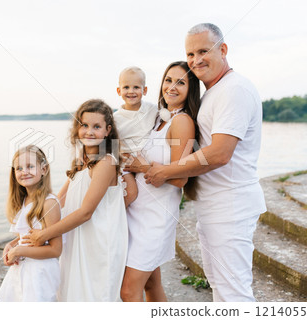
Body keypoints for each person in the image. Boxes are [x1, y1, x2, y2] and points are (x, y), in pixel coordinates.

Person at [143, 23, 267, 302]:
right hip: (214, 205)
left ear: (223, 50)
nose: (196, 60)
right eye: (190, 53)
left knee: (234, 292)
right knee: (221, 289)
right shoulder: (215, 91)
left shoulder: (234, 90)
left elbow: (220, 152)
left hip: (231, 205)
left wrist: (166, 170)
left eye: (203, 51)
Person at [24, 99, 128, 301]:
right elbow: (58, 201)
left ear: (107, 131)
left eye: (96, 127)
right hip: (76, 237)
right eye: (84, 125)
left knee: (95, 295)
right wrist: (24, 233)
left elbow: (86, 212)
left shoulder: (106, 162)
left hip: (98, 241)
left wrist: (44, 234)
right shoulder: (81, 162)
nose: (89, 131)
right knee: (73, 293)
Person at [121, 61, 200, 301]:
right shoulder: (158, 119)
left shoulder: (182, 122)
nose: (172, 87)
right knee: (151, 286)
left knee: (127, 291)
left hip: (155, 219)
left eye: (180, 82)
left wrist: (142, 166)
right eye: (168, 80)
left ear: (190, 89)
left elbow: (180, 178)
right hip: (137, 212)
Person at [0, 145, 62, 302]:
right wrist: (11, 245)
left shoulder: (48, 203)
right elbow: (26, 235)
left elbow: (55, 250)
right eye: (19, 168)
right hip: (22, 269)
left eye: (30, 166)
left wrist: (19, 252)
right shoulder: (24, 200)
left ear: (44, 169)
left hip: (40, 273)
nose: (24, 171)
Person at [113, 66, 158, 207]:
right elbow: (112, 143)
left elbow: (166, 116)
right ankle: (116, 214)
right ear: (119, 91)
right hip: (125, 162)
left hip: (144, 159)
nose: (131, 91)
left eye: (136, 87)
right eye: (126, 87)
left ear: (144, 90)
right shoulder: (115, 118)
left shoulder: (152, 110)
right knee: (131, 193)